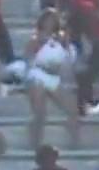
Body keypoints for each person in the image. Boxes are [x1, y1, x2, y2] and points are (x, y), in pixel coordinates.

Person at [21, 8, 81, 150]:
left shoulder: (61, 39)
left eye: (53, 20)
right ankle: (34, 143)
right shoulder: (36, 38)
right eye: (47, 20)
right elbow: (27, 57)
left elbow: (70, 59)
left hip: (54, 78)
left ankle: (74, 142)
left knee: (72, 109)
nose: (50, 23)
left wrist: (66, 43)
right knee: (40, 112)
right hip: (38, 74)